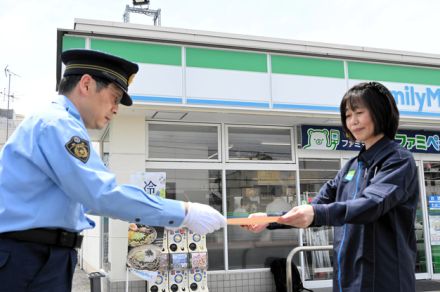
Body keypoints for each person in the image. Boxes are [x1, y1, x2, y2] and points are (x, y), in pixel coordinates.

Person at [0, 49, 226, 292]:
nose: (117, 109)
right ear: (86, 84)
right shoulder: (59, 124)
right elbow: (101, 194)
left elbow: (83, 198)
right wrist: (184, 212)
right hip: (27, 257)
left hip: (35, 255)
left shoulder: (55, 122)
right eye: (114, 98)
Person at [245, 82, 419, 292]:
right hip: (346, 277)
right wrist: (269, 219)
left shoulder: (398, 160)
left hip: (384, 278)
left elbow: (372, 204)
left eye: (359, 113)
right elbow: (316, 206)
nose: (352, 121)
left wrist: (315, 213)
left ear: (380, 113)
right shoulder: (351, 167)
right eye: (347, 115)